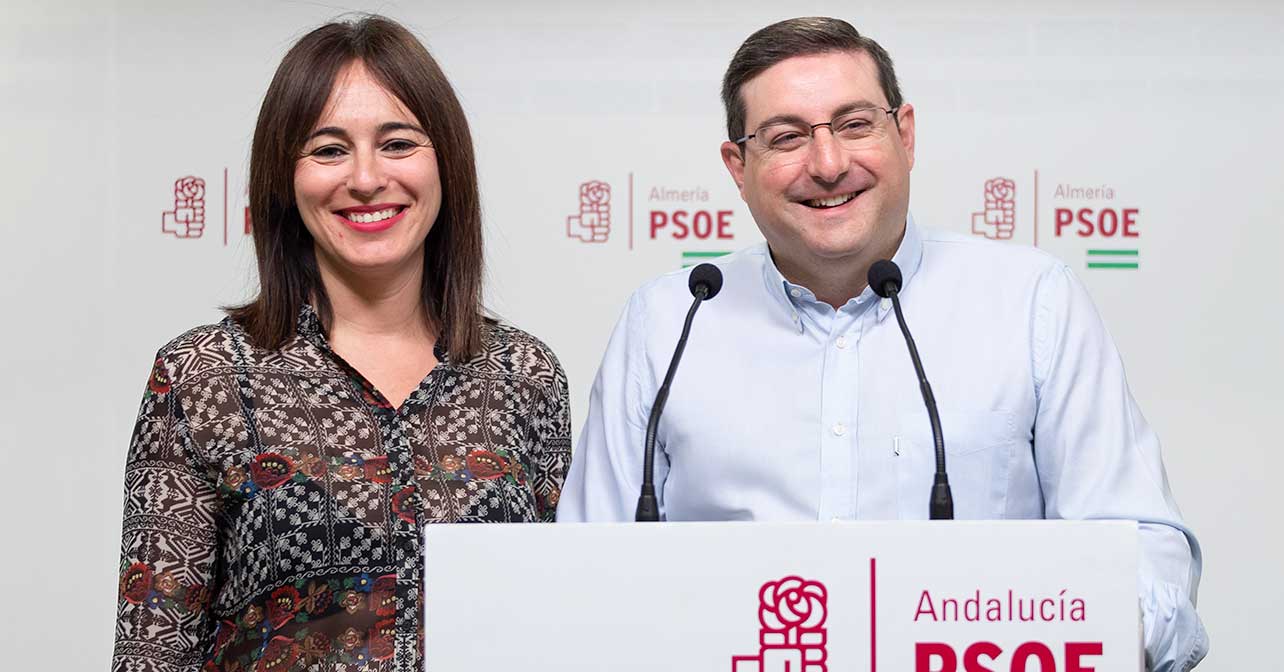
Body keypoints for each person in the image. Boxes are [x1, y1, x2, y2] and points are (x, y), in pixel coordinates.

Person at [557, 16, 1206, 671]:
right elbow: (582, 573)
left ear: (906, 134)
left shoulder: (1032, 300)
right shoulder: (668, 322)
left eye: (855, 124)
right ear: (738, 165)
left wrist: (1086, 636)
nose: (829, 164)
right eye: (786, 137)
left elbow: (1142, 549)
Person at [113, 16, 571, 672]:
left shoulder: (526, 374)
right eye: (328, 149)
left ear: (446, 161)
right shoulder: (203, 376)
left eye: (397, 143)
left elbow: (563, 623)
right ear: (285, 178)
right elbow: (149, 650)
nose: (364, 178)